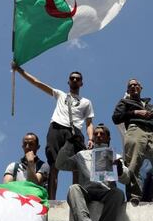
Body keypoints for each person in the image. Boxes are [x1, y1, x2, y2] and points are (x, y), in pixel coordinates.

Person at [12, 63, 94, 199]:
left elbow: (89, 123)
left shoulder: (86, 102)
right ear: (68, 81)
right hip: (56, 128)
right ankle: (52, 201)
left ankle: (76, 199)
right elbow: (37, 83)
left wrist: (90, 138)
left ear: (81, 83)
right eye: (72, 78)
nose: (74, 80)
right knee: (53, 165)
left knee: (78, 166)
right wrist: (19, 70)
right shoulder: (60, 94)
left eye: (77, 79)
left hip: (75, 133)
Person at [55, 124, 129, 221]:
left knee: (118, 193)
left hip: (106, 191)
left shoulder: (116, 156)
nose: (99, 136)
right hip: (87, 191)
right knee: (73, 188)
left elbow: (126, 179)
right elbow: (60, 164)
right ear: (93, 137)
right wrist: (69, 144)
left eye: (102, 134)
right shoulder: (82, 155)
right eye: (96, 134)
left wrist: (120, 170)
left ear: (108, 138)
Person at [112, 78, 153, 204]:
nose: (133, 86)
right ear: (128, 90)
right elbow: (116, 118)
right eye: (131, 86)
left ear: (141, 88)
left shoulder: (150, 106)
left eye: (136, 85)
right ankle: (134, 195)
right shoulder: (124, 101)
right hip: (135, 129)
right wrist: (135, 112)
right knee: (133, 163)